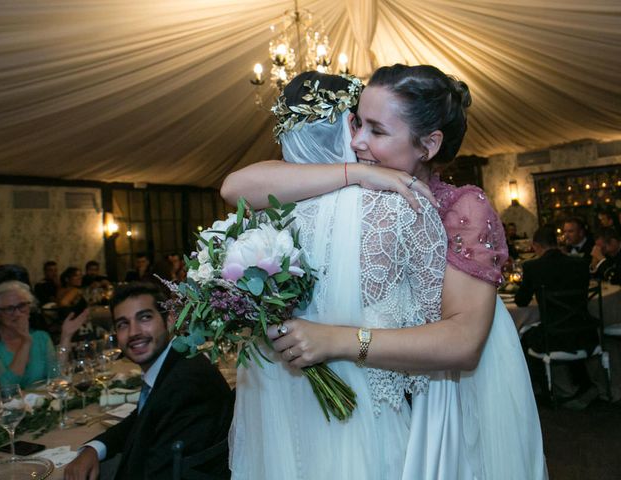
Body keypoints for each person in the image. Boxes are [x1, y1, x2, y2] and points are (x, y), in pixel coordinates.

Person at [222, 65, 546, 479]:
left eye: (376, 131)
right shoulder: (358, 187)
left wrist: (337, 340)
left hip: (448, 393)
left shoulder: (461, 207)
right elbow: (235, 187)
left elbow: (464, 342)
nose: (356, 140)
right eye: (357, 123)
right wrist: (358, 171)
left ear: (428, 145)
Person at [64, 283, 234, 480]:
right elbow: (143, 418)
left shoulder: (186, 385)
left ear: (169, 320)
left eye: (144, 317)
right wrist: (94, 449)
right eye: (123, 324)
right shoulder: (178, 361)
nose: (134, 332)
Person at [515, 226, 599, 404]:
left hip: (553, 336)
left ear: (536, 245)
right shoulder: (580, 264)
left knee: (522, 337)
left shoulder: (532, 267)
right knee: (564, 327)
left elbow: (521, 301)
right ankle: (582, 383)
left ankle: (543, 390)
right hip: (585, 332)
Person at [0, 280, 88, 387]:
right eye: (9, 309)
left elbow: (56, 377)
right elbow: (5, 390)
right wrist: (25, 342)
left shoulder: (40, 337)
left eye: (22, 305)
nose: (17, 313)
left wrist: (66, 337)